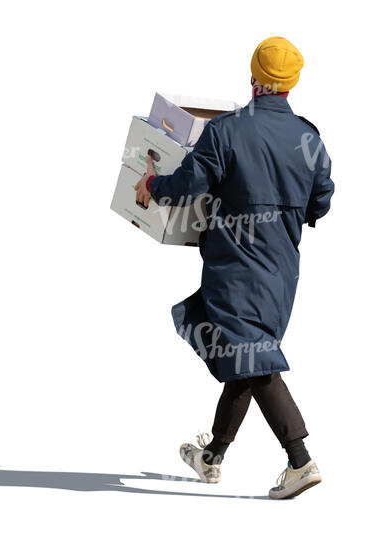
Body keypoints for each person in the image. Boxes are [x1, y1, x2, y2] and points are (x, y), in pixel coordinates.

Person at [134, 36, 334, 499]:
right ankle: (212, 457)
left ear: (253, 76)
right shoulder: (308, 136)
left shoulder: (227, 130)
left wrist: (151, 185)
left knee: (252, 355)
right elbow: (321, 198)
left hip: (235, 265)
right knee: (245, 354)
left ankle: (300, 459)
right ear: (292, 85)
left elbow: (188, 184)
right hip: (283, 268)